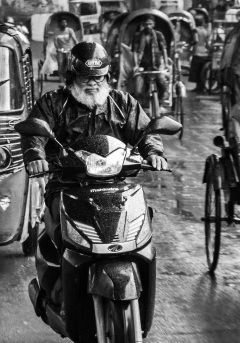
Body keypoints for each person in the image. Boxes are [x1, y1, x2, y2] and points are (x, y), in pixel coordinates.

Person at [19, 42, 169, 246]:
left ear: (106, 77)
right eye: (85, 77)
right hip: (66, 184)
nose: (92, 82)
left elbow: (144, 131)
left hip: (115, 185)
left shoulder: (122, 103)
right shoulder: (53, 103)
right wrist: (36, 157)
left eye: (98, 76)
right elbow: (35, 135)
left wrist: (153, 152)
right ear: (72, 77)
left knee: (142, 229)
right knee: (60, 236)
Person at [133, 15, 169, 112]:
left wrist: (165, 64)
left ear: (154, 24)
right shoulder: (138, 36)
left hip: (157, 65)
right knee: (138, 89)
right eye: (146, 24)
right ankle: (143, 106)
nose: (148, 26)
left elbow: (164, 50)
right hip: (142, 66)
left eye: (150, 24)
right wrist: (136, 65)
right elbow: (135, 52)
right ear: (143, 25)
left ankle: (161, 102)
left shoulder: (159, 35)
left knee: (162, 81)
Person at [53, 18, 79, 84]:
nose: (64, 24)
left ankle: (68, 77)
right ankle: (61, 78)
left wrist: (77, 46)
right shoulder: (56, 31)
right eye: (62, 22)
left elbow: (74, 39)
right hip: (60, 50)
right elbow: (55, 41)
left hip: (69, 50)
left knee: (69, 64)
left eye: (65, 22)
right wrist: (57, 48)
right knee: (60, 64)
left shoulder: (70, 30)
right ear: (60, 24)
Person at [188, 15, 210, 93]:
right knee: (202, 71)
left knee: (196, 71)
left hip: (197, 53)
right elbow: (207, 43)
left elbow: (195, 40)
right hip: (204, 53)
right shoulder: (205, 31)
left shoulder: (195, 30)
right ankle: (201, 87)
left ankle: (198, 87)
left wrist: (191, 44)